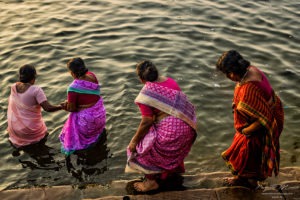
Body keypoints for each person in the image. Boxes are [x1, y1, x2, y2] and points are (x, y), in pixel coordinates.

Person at [216, 50, 284, 189]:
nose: (227, 77)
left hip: (260, 125)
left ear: (232, 73)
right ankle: (246, 179)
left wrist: (246, 131)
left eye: (227, 74)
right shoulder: (251, 70)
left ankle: (248, 182)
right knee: (252, 153)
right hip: (272, 112)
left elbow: (263, 119)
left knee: (247, 152)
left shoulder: (248, 90)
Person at [126, 60, 197, 192]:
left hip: (172, 133)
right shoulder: (171, 81)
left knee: (142, 150)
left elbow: (147, 121)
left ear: (141, 79)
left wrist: (134, 142)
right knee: (155, 139)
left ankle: (151, 182)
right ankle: (172, 171)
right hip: (187, 127)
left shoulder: (146, 95)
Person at [7, 64, 62, 148]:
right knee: (44, 137)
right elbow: (48, 108)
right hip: (29, 131)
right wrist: (62, 106)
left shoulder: (13, 87)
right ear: (34, 77)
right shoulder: (36, 90)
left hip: (14, 129)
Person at [60, 57, 106, 155]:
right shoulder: (92, 76)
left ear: (72, 73)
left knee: (68, 133)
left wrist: (66, 105)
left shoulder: (73, 88)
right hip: (100, 117)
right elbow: (90, 97)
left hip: (88, 123)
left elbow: (72, 109)